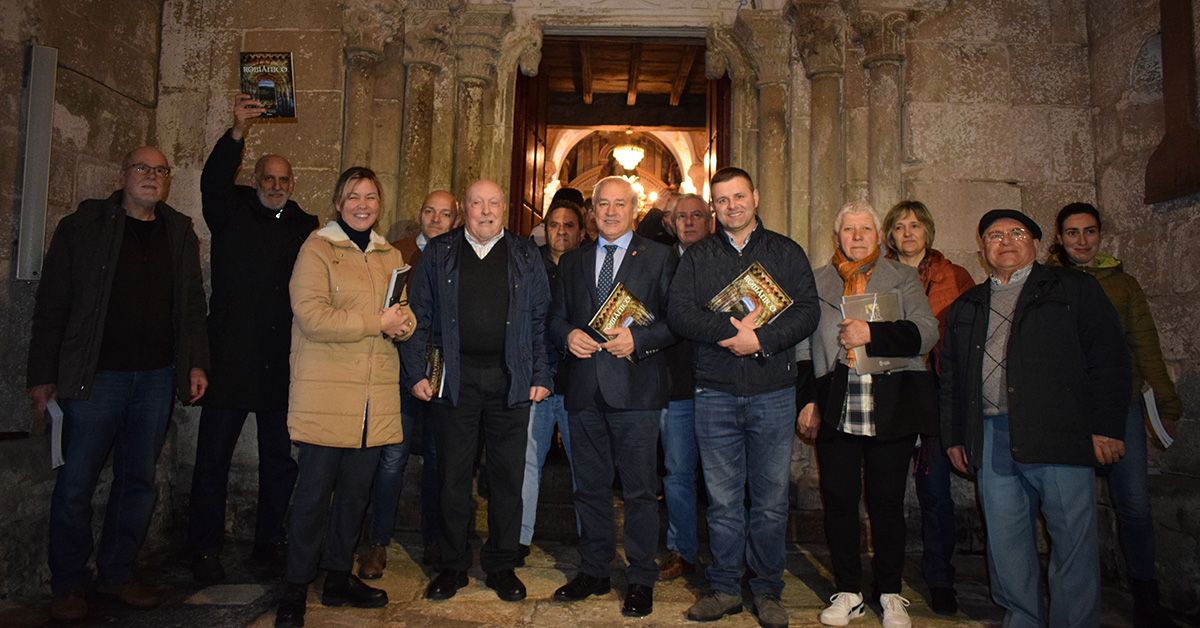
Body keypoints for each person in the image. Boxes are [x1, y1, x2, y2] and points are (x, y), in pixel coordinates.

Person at [28, 146, 209, 621]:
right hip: (93, 380)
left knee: (138, 482)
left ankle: (116, 574)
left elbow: (191, 306)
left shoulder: (177, 231)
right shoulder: (84, 227)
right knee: (75, 483)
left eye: (160, 171)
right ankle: (68, 583)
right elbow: (52, 305)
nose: (152, 177)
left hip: (153, 379)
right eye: (142, 169)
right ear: (123, 175)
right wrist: (43, 376)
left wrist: (195, 364)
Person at [941, 209, 1130, 628]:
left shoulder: (1073, 288)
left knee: (1073, 543)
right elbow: (952, 377)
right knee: (1006, 543)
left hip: (1059, 432)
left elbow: (1110, 360)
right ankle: (1021, 619)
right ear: (982, 249)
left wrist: (1107, 427)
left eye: (1016, 233)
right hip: (991, 437)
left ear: (1037, 244)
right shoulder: (967, 304)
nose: (1005, 241)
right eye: (994, 235)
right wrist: (955, 435)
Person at [668, 167, 820, 628]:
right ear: (714, 206)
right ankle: (724, 588)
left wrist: (763, 341)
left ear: (755, 196)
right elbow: (679, 313)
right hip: (713, 391)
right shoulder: (697, 257)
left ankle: (768, 590)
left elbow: (809, 311)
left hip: (773, 391)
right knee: (723, 500)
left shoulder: (786, 252)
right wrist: (729, 334)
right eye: (722, 200)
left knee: (771, 500)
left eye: (738, 196)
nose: (731, 206)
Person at [273, 167, 415, 627]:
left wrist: (405, 324)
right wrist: (378, 324)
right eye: (353, 196)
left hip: (373, 398)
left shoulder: (389, 254)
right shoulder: (317, 248)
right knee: (313, 495)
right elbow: (311, 316)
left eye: (370, 197)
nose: (362, 205)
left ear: (380, 204)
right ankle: (295, 585)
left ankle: (337, 575)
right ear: (338, 201)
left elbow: (402, 311)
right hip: (327, 393)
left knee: (356, 495)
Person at [402, 179, 552, 603]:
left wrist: (542, 373)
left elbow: (540, 318)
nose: (485, 211)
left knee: (507, 477)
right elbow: (420, 313)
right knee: (452, 475)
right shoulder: (439, 252)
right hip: (455, 380)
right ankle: (452, 565)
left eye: (493, 203)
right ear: (463, 208)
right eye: (476, 203)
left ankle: (502, 565)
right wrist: (415, 372)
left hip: (512, 380)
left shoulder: (525, 253)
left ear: (505, 207)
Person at [189, 94, 318, 584]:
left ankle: (270, 541)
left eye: (284, 180)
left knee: (278, 461)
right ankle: (203, 549)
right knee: (212, 459)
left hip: (278, 364)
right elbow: (211, 182)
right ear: (256, 179)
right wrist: (237, 131)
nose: (277, 186)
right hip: (228, 358)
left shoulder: (305, 227)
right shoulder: (230, 212)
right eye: (269, 178)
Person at [795, 201, 939, 628]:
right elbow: (804, 347)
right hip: (836, 399)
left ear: (879, 236)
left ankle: (890, 592)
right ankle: (848, 591)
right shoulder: (817, 280)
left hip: (891, 402)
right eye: (848, 230)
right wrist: (808, 401)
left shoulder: (904, 277)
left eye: (865, 229)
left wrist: (871, 333)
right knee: (838, 499)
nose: (857, 237)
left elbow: (926, 332)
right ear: (836, 236)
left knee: (887, 502)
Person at [548, 177, 678, 617]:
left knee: (641, 491)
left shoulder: (660, 256)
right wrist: (567, 335)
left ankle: (641, 577)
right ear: (592, 210)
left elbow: (676, 321)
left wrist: (638, 341)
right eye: (602, 204)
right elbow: (554, 317)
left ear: (634, 209)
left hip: (637, 391)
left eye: (619, 204)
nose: (609, 212)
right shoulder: (573, 261)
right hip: (584, 390)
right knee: (590, 489)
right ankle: (595, 570)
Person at [1048, 202, 1181, 628]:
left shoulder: (1125, 285)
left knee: (1135, 503)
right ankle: (1081, 592)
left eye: (1089, 232)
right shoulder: (1050, 282)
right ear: (1059, 238)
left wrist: (1165, 401)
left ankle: (1145, 593)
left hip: (1120, 405)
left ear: (1100, 235)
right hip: (1071, 410)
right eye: (1072, 233)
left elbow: (1146, 343)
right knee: (1073, 506)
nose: (1082, 241)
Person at [357, 189, 458, 578]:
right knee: (392, 458)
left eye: (444, 214)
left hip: (442, 373)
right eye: (429, 211)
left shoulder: (461, 255)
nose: (436, 219)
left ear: (455, 219)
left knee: (438, 460)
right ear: (420, 214)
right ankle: (377, 542)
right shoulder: (395, 252)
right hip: (398, 371)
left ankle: (434, 541)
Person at [880, 200, 974, 615]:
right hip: (892, 390)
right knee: (885, 492)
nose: (908, 233)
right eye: (899, 226)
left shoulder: (954, 276)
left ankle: (940, 578)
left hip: (935, 391)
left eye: (915, 225)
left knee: (935, 491)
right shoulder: (877, 274)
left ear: (928, 231)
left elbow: (969, 337)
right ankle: (886, 580)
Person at [519, 198, 586, 557]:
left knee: (584, 464)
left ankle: (587, 539)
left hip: (579, 381)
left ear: (581, 231)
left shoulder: (590, 267)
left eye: (569, 225)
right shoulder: (529, 265)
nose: (561, 232)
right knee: (528, 460)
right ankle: (520, 539)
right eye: (554, 225)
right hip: (538, 378)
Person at [657, 193, 713, 581]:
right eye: (682, 217)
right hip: (675, 385)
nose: (690, 222)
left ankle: (731, 555)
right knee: (677, 473)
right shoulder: (660, 262)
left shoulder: (726, 258)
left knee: (724, 476)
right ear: (670, 223)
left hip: (721, 385)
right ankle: (683, 551)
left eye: (697, 215)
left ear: (710, 220)